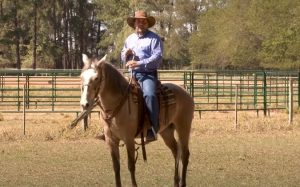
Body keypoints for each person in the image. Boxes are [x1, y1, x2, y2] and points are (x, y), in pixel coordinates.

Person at [121, 10, 163, 142]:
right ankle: (113, 128)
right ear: (134, 23)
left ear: (147, 23)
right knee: (114, 93)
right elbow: (122, 55)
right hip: (131, 74)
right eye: (138, 21)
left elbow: (157, 57)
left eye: (143, 21)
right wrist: (125, 54)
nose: (141, 23)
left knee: (149, 94)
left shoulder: (154, 38)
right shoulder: (129, 39)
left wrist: (138, 63)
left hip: (147, 74)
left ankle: (153, 129)